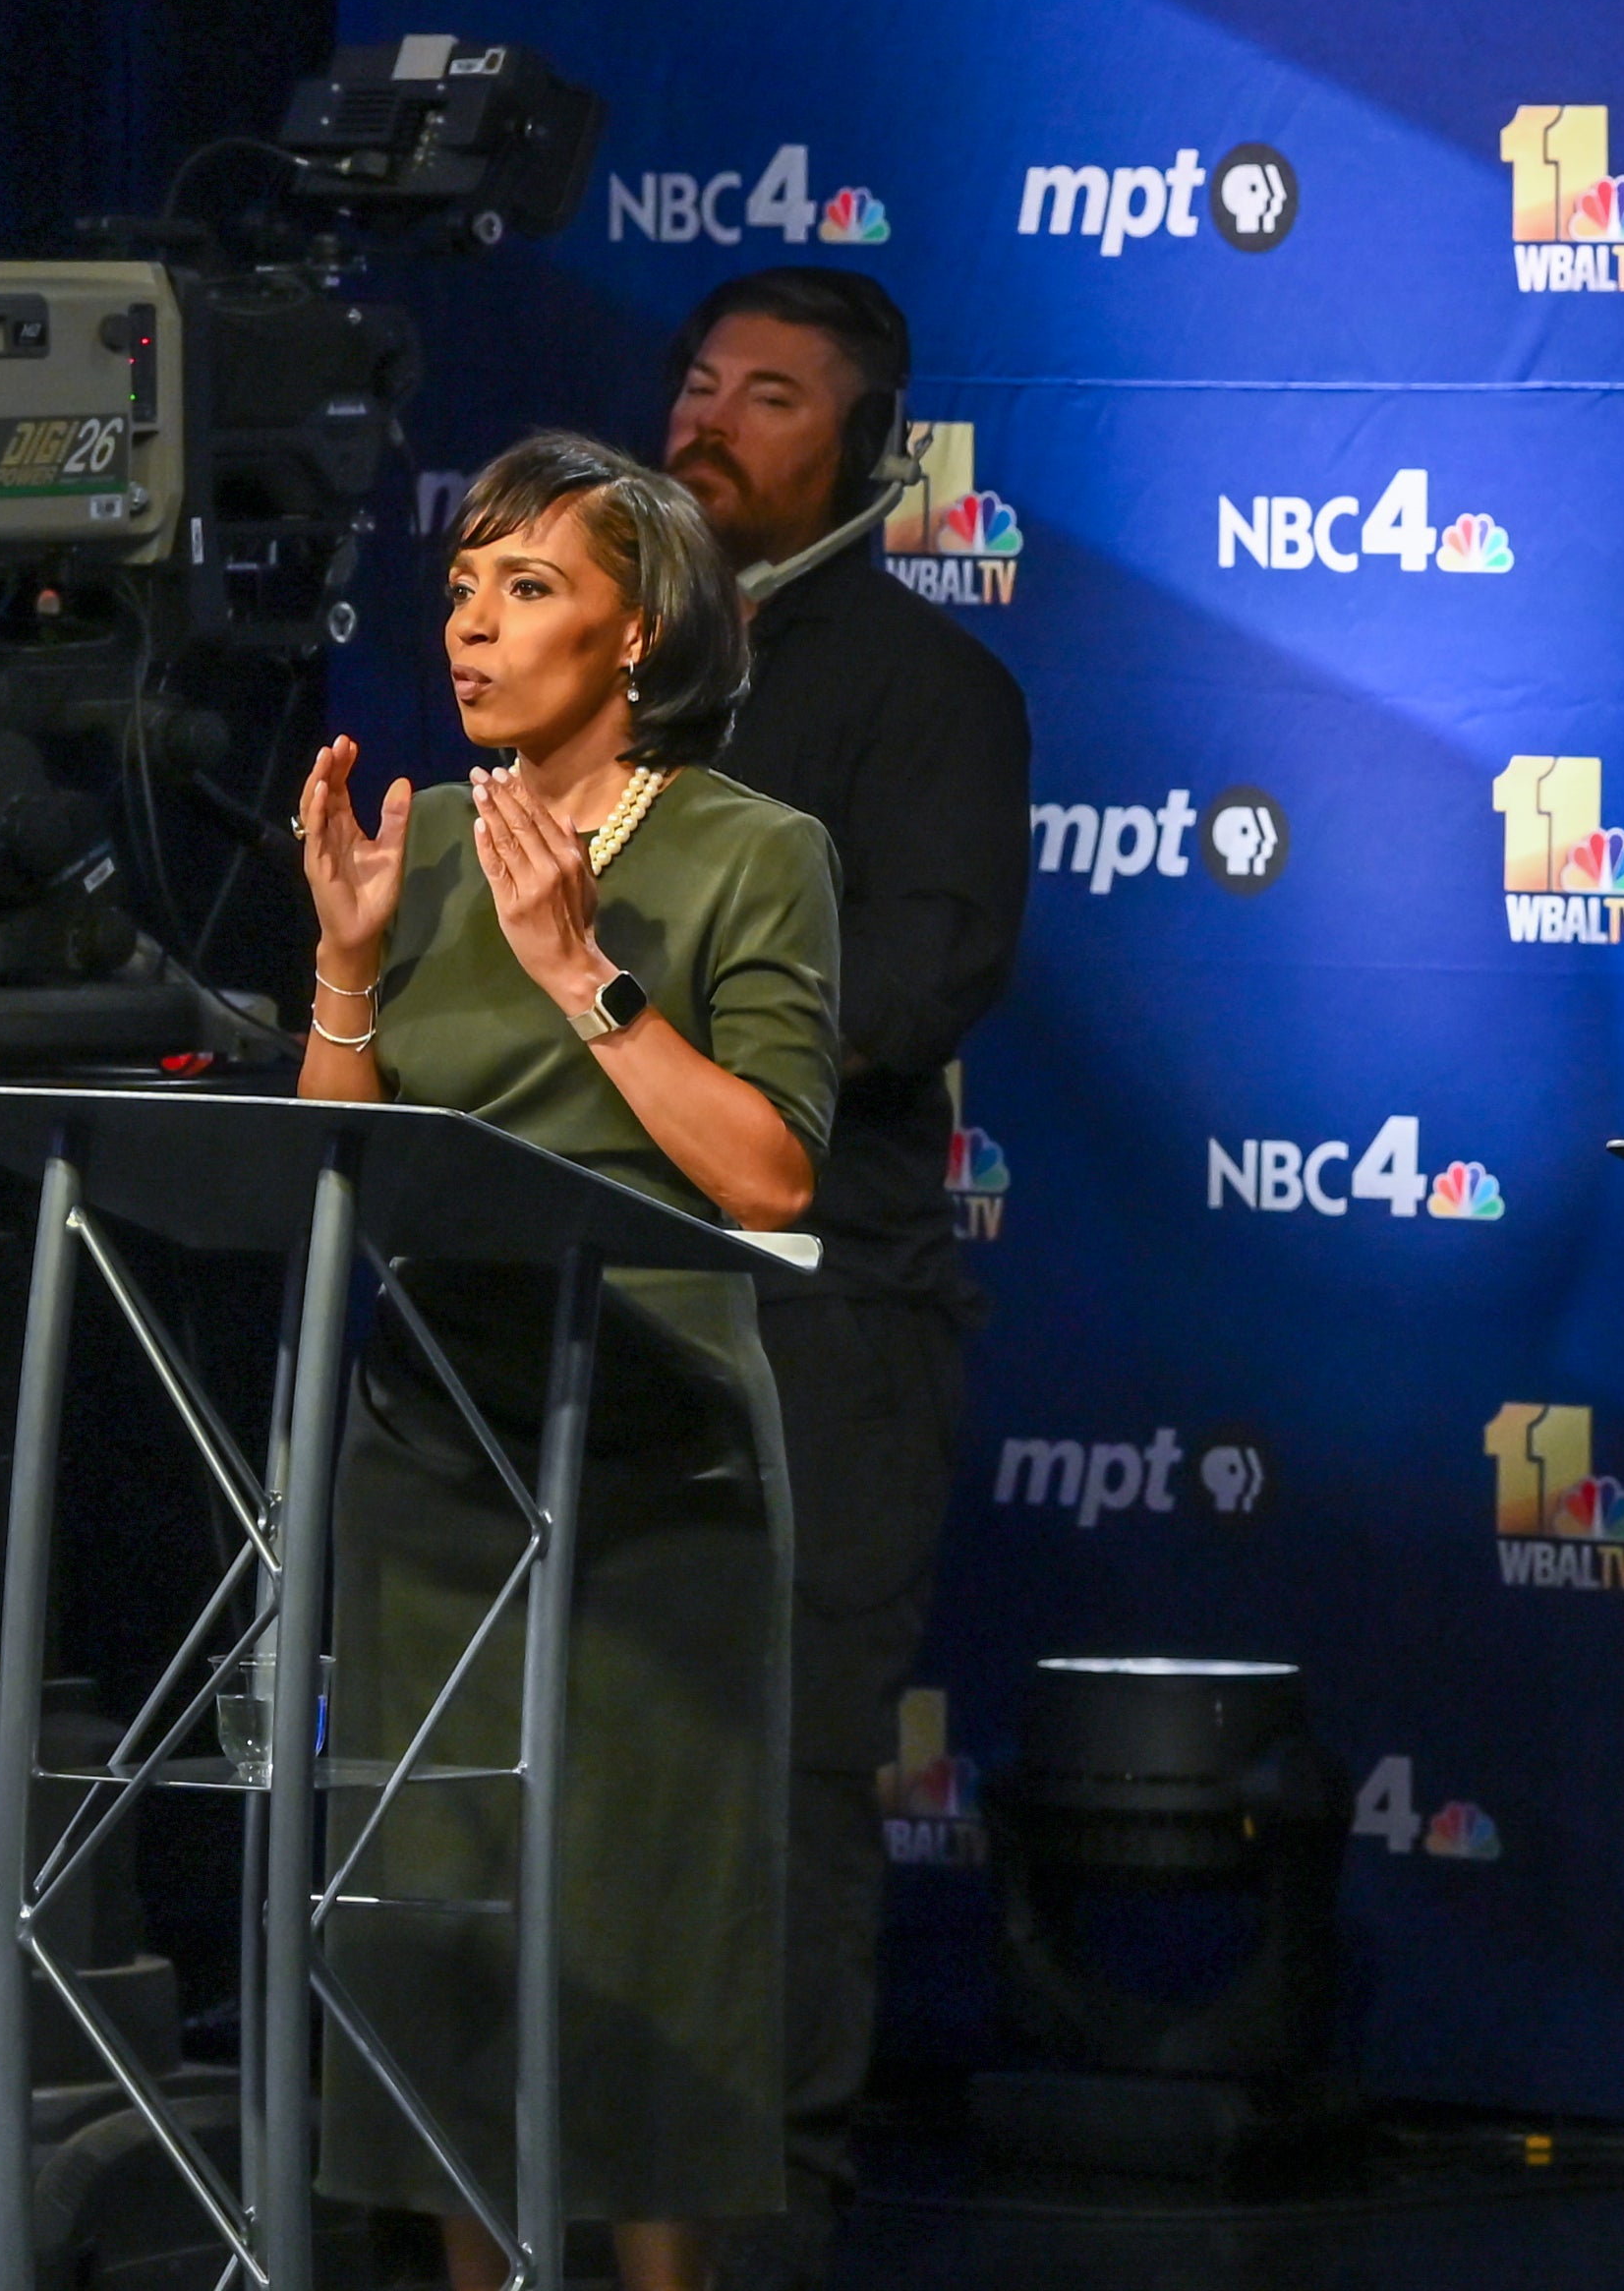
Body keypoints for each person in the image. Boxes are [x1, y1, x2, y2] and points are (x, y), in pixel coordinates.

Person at [292, 432, 842, 2291]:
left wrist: (580, 975)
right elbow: (334, 1176)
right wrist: (352, 967)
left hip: (650, 1458)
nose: (473, 626)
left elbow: (769, 1172)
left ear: (638, 636)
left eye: (529, 589)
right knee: (446, 1922)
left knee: (638, 1935)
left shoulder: (751, 855)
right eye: (462, 583)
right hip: (436, 1453)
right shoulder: (422, 840)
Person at [658, 267, 1032, 2279]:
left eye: (771, 396)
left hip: (817, 1323)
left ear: (865, 453)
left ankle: (754, 2223)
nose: (710, 418)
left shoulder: (926, 689)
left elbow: (916, 979)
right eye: (700, 382)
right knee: (585, 1789)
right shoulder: (581, 668)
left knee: (786, 1798)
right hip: (576, 1316)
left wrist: (635, 1029)